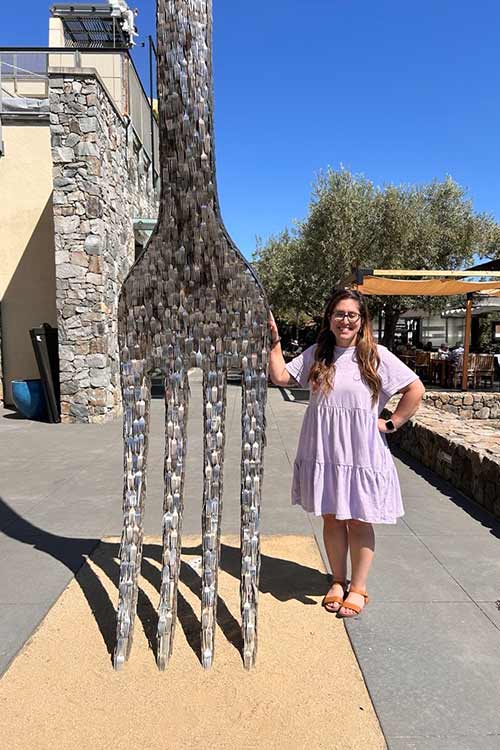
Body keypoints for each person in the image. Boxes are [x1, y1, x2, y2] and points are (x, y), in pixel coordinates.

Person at [268, 289, 425, 617]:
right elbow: (281, 377)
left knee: (358, 518)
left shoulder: (375, 356)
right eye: (339, 313)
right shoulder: (318, 354)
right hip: (324, 448)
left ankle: (359, 587)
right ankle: (338, 581)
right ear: (329, 318)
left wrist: (393, 423)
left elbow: (414, 389)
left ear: (362, 320)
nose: (345, 320)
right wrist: (274, 343)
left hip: (361, 453)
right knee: (331, 516)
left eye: (352, 314)